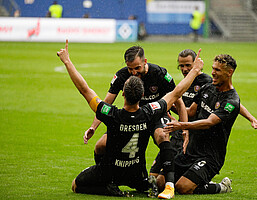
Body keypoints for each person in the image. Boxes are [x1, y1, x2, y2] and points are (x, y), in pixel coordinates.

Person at [57, 39, 203, 198]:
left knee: (76, 185)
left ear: (123, 93)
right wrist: (195, 71)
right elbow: (176, 93)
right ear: (142, 95)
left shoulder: (112, 115)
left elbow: (85, 90)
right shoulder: (149, 111)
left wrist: (67, 61)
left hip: (113, 169)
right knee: (103, 148)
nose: (134, 72)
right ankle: (157, 184)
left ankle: (108, 184)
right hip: (136, 173)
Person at [149, 49, 257, 190]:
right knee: (160, 182)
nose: (212, 72)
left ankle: (222, 187)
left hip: (210, 155)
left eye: (217, 70)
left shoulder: (231, 101)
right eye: (213, 68)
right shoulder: (208, 87)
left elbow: (209, 122)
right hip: (191, 148)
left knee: (183, 187)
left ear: (229, 73)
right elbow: (191, 111)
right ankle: (197, 179)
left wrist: (181, 125)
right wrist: (163, 105)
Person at [84, 45, 188, 199]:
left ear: (144, 61)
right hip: (131, 117)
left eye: (137, 68)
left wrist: (184, 127)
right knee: (100, 146)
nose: (133, 72)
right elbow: (107, 102)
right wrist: (93, 126)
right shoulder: (121, 76)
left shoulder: (160, 74)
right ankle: (107, 180)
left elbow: (178, 101)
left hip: (155, 116)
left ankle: (169, 186)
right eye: (130, 69)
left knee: (162, 135)